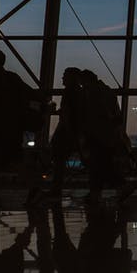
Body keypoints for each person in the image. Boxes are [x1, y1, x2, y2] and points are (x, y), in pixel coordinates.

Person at [0, 48, 44, 208]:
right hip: (13, 128)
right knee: (16, 160)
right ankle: (34, 190)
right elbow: (31, 95)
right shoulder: (13, 78)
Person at [78, 70, 133, 202]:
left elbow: (94, 116)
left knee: (98, 164)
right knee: (103, 163)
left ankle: (100, 191)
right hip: (108, 135)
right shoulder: (107, 91)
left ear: (86, 81)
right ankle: (108, 189)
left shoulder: (93, 93)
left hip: (98, 135)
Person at [48, 67, 84, 197]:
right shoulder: (80, 92)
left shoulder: (68, 92)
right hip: (76, 130)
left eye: (65, 75)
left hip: (66, 131)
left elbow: (68, 113)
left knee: (58, 159)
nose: (62, 78)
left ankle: (56, 189)